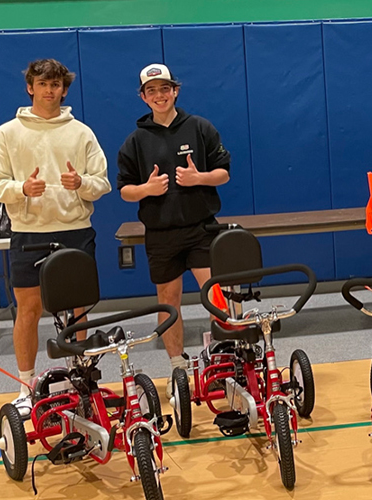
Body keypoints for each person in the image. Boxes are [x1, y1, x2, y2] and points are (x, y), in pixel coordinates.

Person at [0, 59, 111, 416]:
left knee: (79, 308)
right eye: (43, 84)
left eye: (56, 84)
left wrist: (82, 183)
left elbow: (103, 182)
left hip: (75, 230)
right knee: (29, 309)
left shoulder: (81, 132)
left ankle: (78, 377)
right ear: (30, 87)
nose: (50, 90)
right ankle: (26, 386)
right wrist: (21, 188)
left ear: (64, 89)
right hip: (28, 232)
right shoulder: (8, 133)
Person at [117, 63, 231, 397]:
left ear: (175, 91)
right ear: (143, 97)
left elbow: (223, 172)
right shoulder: (136, 141)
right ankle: (176, 367)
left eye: (164, 89)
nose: (159, 95)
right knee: (169, 303)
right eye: (151, 91)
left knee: (216, 292)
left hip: (201, 227)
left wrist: (200, 178)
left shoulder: (200, 127)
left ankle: (225, 361)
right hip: (162, 234)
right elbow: (124, 190)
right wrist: (145, 190)